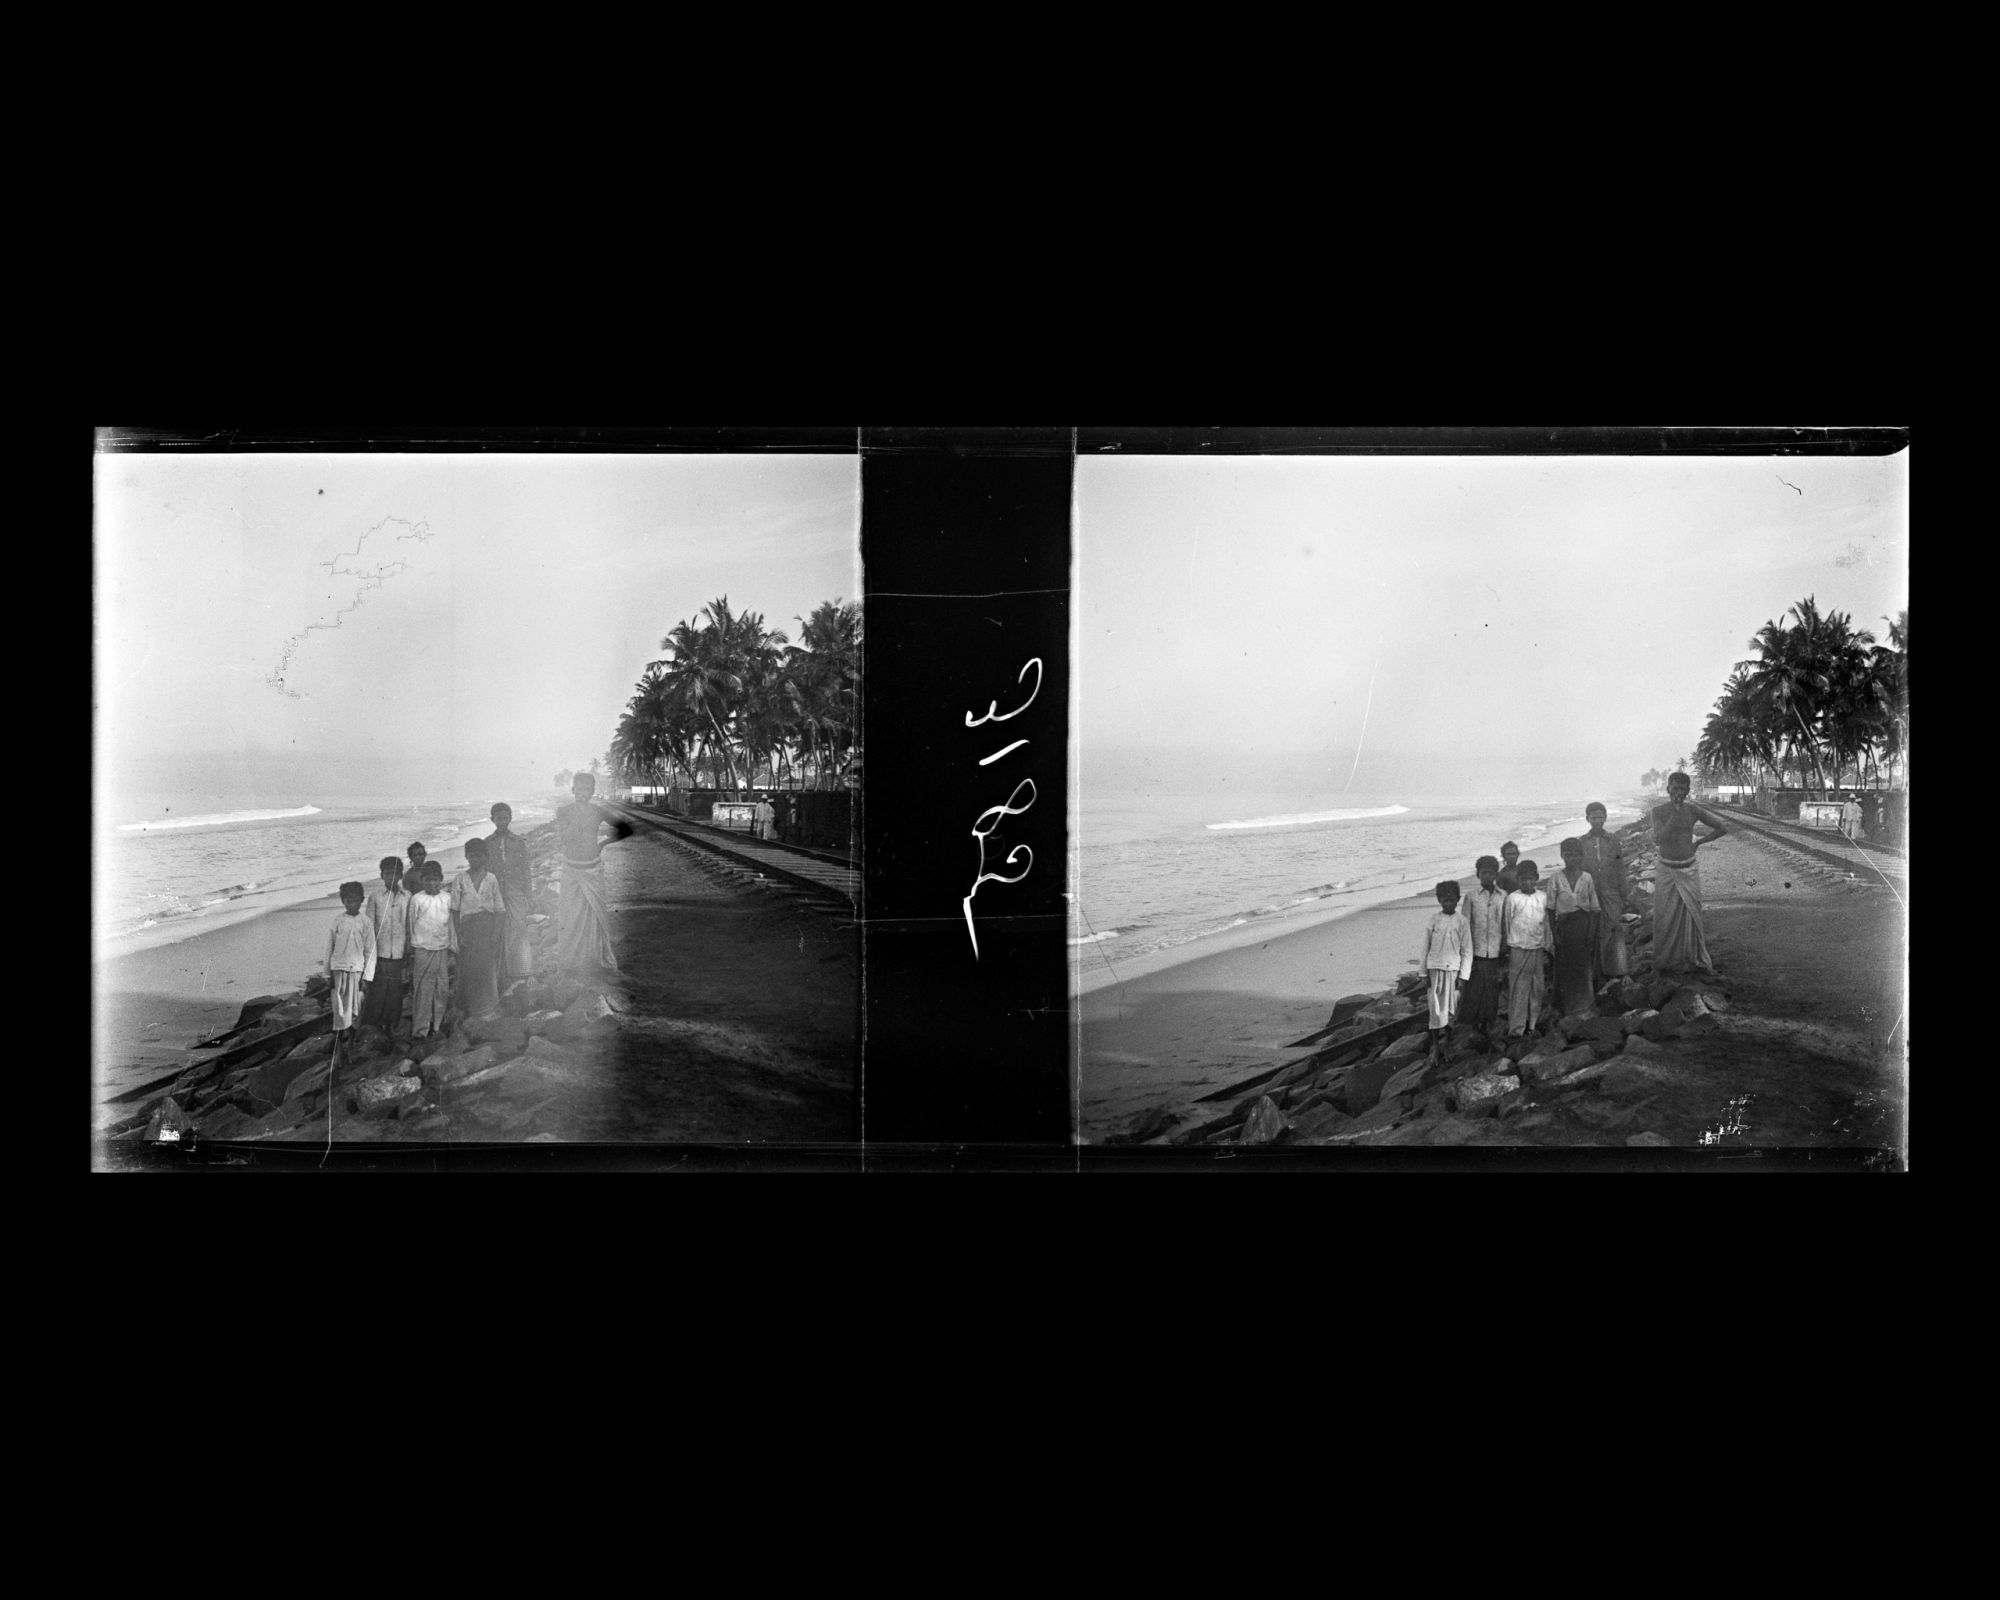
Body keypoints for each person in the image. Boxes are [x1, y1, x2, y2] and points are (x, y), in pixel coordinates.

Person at [555, 772, 634, 979]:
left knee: (596, 916)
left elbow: (626, 829)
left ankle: (596, 961)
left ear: (592, 791)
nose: (583, 792)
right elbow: (564, 838)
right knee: (570, 917)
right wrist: (579, 816)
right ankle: (571, 964)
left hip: (593, 867)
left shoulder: (598, 811)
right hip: (571, 869)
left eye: (587, 789)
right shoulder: (563, 811)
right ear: (573, 790)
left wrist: (603, 844)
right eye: (579, 789)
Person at [1650, 771, 1726, 976]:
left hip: (1688, 868)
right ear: (1668, 789)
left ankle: (1693, 960)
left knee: (1692, 916)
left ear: (1687, 791)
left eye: (1682, 789)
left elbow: (1722, 828)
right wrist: (1674, 815)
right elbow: (1658, 839)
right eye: (1674, 788)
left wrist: (1699, 843)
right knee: (1663, 918)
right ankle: (1664, 963)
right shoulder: (1658, 811)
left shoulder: (1693, 810)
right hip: (1666, 869)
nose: (1678, 792)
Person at [1543, 838, 1603, 1017]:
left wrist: (1591, 932)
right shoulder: (1555, 879)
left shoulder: (1587, 878)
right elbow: (1550, 909)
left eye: (1576, 855)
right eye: (1568, 855)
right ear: (1562, 856)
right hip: (1564, 929)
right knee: (1563, 967)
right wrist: (1555, 934)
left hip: (1583, 927)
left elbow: (1594, 909)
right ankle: (1564, 1007)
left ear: (1581, 856)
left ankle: (1584, 1006)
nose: (1572, 859)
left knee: (1583, 967)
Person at [450, 837, 508, 1019]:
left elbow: (499, 909)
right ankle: (469, 1009)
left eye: (479, 856)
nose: (475, 859)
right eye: (471, 856)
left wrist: (496, 933)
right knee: (467, 969)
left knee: (487, 968)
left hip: (487, 928)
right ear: (467, 857)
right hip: (468, 929)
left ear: (486, 857)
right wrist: (459, 935)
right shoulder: (460, 879)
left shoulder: (491, 879)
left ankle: (489, 1008)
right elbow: (454, 910)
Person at [1500, 860, 1555, 1039]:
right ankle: (1516, 1028)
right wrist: (1508, 946)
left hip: (1537, 947)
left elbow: (1546, 923)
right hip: (1518, 947)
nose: (1527, 883)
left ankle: (1532, 1024)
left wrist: (1548, 946)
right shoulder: (1512, 898)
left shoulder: (1543, 897)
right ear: (1518, 880)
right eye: (1523, 880)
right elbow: (1507, 923)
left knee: (1536, 986)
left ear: (1537, 879)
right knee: (1518, 987)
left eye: (1531, 879)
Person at [1420, 880, 1474, 1059]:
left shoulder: (1462, 921)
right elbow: (1425, 947)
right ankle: (1436, 1046)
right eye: (1444, 900)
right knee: (1435, 1009)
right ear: (1439, 900)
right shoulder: (1433, 920)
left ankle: (1448, 1043)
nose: (1448, 903)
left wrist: (1463, 976)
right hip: (1434, 969)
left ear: (1458, 899)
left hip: (1453, 970)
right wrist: (1423, 973)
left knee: (1451, 1009)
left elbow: (1467, 950)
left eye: (1451, 900)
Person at [1576, 802, 1627, 985]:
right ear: (1587, 819)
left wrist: (1624, 892)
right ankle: (1596, 972)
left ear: (1605, 817)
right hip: (1590, 892)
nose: (1597, 820)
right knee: (1593, 930)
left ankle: (1617, 971)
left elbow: (1620, 866)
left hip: (1611, 890)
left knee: (1614, 927)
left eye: (1600, 817)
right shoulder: (1582, 842)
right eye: (1593, 817)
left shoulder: (1613, 840)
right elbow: (1579, 869)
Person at [360, 855, 411, 1035]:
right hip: (379, 952)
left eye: (395, 873)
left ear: (400, 876)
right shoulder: (375, 898)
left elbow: (408, 925)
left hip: (398, 951)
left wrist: (408, 950)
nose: (391, 877)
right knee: (378, 990)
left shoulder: (407, 897)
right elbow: (369, 927)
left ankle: (392, 1024)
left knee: (395, 991)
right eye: (388, 873)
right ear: (382, 875)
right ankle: (372, 1026)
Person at [486, 802, 534, 986]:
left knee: (519, 930)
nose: (502, 821)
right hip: (496, 892)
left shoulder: (518, 842)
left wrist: (529, 896)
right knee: (499, 931)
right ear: (493, 820)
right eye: (499, 818)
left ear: (510, 819)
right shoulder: (487, 843)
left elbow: (526, 870)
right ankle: (502, 974)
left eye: (505, 818)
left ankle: (522, 971)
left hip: (516, 892)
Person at [406, 861, 456, 1039]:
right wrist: (411, 949)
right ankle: (420, 1029)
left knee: (441, 987)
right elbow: (411, 925)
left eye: (435, 880)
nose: (432, 884)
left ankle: (437, 1025)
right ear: (422, 881)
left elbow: (450, 924)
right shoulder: (417, 899)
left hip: (441, 947)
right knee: (422, 988)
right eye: (427, 880)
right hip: (422, 948)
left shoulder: (447, 898)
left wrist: (452, 946)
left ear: (441, 880)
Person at [326, 881, 377, 1052]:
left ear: (362, 900)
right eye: (348, 901)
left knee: (356, 1012)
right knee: (340, 1011)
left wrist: (367, 978)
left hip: (357, 971)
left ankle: (350, 1047)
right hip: (339, 970)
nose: (352, 904)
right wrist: (328, 974)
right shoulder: (338, 921)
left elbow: (370, 951)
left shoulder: (366, 922)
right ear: (343, 901)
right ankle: (339, 1048)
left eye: (355, 900)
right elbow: (329, 948)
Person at [1459, 856, 1508, 1031]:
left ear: (1496, 874)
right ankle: (1470, 1024)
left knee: (1492, 989)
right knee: (1473, 989)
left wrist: (1505, 947)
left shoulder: (1503, 896)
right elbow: (1465, 925)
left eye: (1491, 873)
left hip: (1496, 950)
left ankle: (1489, 1023)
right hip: (1476, 950)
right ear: (1477, 874)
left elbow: (1505, 922)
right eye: (1484, 873)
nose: (1487, 876)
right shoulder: (1471, 897)